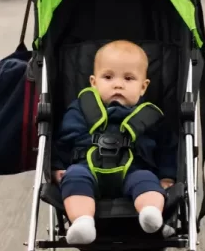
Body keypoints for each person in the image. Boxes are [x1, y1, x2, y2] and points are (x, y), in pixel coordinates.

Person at [52, 41, 176, 245]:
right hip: (86, 168)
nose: (118, 85)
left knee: (148, 181)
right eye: (108, 77)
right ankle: (82, 222)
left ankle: (151, 213)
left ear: (143, 86)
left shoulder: (151, 116)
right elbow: (64, 140)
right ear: (93, 82)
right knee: (73, 178)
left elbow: (167, 148)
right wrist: (58, 166)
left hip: (135, 170)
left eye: (128, 78)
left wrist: (167, 176)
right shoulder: (81, 108)